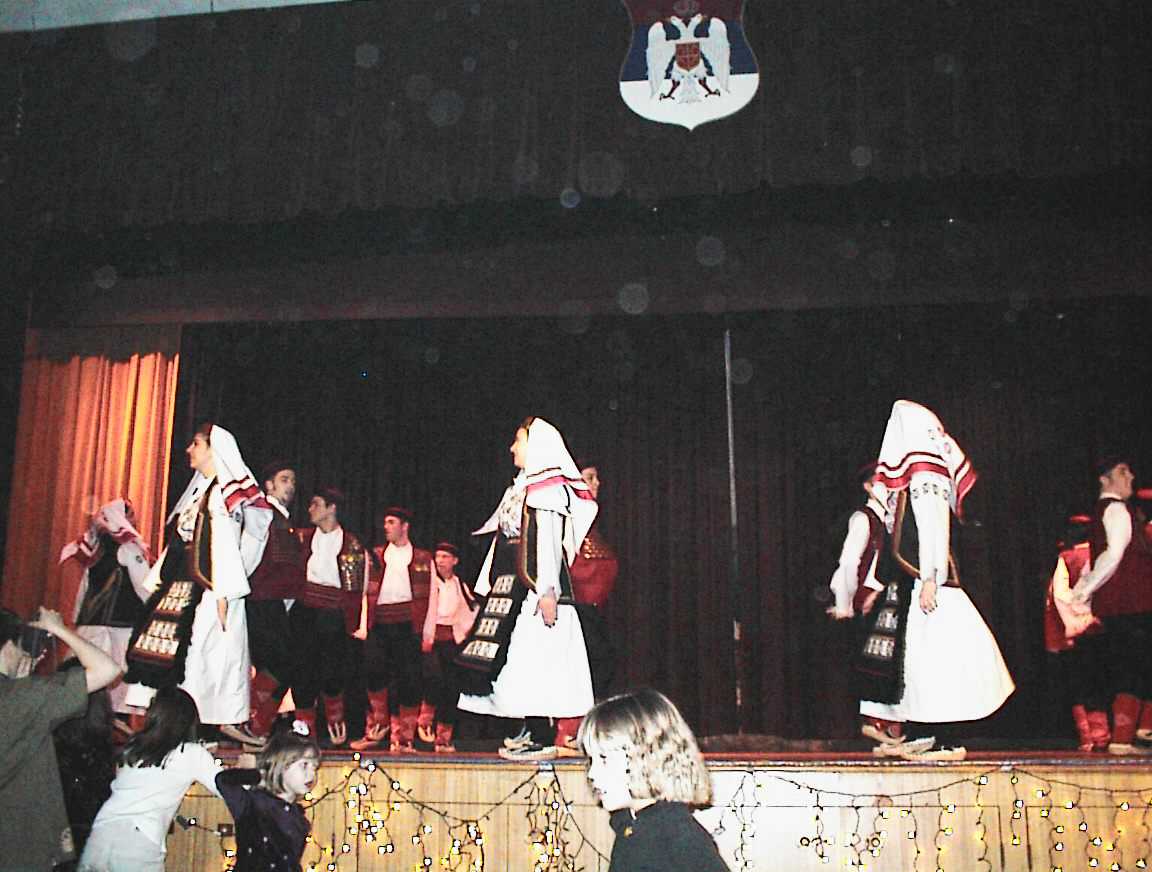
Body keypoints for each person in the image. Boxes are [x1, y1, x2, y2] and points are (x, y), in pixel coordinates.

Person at [854, 400, 1015, 758]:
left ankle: (947, 739)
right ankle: (921, 731)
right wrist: (880, 585)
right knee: (915, 663)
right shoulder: (910, 481)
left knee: (939, 660)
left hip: (928, 584)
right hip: (912, 583)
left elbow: (933, 527)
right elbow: (894, 538)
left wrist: (931, 577)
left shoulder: (927, 478)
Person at [456, 416, 598, 760]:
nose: (512, 448)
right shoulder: (519, 488)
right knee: (513, 658)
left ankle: (541, 734)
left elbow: (548, 541)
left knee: (536, 658)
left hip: (535, 589)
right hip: (512, 587)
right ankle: (527, 727)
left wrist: (547, 591)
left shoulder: (546, 490)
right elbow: (503, 541)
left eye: (518, 441)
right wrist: (487, 585)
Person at [123, 422, 262, 748]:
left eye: (196, 444)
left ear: (213, 450)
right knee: (176, 653)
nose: (189, 450)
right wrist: (159, 583)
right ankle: (174, 725)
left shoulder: (221, 495)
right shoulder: (201, 492)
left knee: (202, 656)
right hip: (185, 587)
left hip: (209, 589)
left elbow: (226, 544)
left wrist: (224, 593)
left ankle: (201, 728)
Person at [1, 606, 122, 872]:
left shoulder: (21, 697)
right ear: (8, 646)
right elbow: (107, 669)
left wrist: (22, 682)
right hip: (20, 846)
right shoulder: (22, 698)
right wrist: (57, 627)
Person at [579, 688, 728, 872]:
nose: (592, 773)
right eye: (591, 759)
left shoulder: (671, 836)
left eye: (604, 758)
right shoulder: (634, 824)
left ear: (647, 758)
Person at [78, 687, 224, 872]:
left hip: (102, 831)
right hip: (139, 839)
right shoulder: (190, 753)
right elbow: (226, 788)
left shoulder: (133, 748)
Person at [1062, 457, 1152, 755]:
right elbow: (1112, 555)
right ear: (1104, 478)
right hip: (1131, 603)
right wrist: (1083, 592)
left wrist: (1084, 591)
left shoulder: (1112, 510)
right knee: (1134, 667)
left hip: (1127, 603)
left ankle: (1139, 732)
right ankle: (1126, 738)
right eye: (1122, 472)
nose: (1131, 477)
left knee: (1136, 665)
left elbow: (1099, 558)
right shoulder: (1115, 509)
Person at [58, 498, 153, 731]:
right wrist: (153, 607)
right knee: (121, 675)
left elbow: (84, 590)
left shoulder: (95, 550)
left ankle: (98, 722)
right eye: (130, 515)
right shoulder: (128, 547)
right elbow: (143, 585)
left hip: (91, 624)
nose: (134, 519)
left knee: (90, 673)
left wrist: (78, 617)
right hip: (121, 623)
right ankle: (116, 721)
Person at [293, 486, 371, 746]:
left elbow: (358, 589)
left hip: (333, 614)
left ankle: (335, 718)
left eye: (316, 504)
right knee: (303, 671)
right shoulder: (302, 538)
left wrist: (354, 624)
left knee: (332, 672)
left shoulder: (352, 543)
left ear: (331, 508)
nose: (310, 509)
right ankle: (304, 727)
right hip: (305, 611)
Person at [351, 506, 432, 753]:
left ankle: (404, 738)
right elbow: (364, 591)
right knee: (374, 673)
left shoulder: (422, 557)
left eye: (391, 522)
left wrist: (427, 631)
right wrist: (362, 624)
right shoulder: (375, 556)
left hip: (408, 623)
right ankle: (378, 726)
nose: (386, 527)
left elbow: (433, 597)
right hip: (380, 623)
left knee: (409, 680)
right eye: (385, 522)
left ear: (404, 526)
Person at [240, 462, 308, 738]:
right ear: (269, 484)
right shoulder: (264, 514)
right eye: (284, 479)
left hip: (276, 602)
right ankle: (250, 717)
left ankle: (257, 723)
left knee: (282, 665)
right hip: (261, 599)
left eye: (292, 481)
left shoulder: (283, 520)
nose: (290, 486)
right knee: (281, 663)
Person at [558, 460, 620, 751]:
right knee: (587, 665)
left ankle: (581, 728)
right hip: (574, 606)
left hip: (590, 607)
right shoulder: (567, 521)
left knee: (599, 664)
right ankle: (568, 730)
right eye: (590, 477)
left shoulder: (588, 522)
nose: (597, 483)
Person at [215, 720, 319, 871]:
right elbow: (224, 780)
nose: (311, 774)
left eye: (315, 767)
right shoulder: (253, 804)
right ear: (281, 765)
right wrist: (259, 774)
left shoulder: (299, 820)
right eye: (304, 765)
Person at [1044, 516, 1111, 751]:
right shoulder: (1102, 556)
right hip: (1096, 626)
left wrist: (1074, 622)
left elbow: (1060, 595)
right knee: (1095, 680)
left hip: (1074, 631)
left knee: (1080, 682)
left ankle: (1090, 736)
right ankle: (1098, 735)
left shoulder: (1068, 558)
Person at [415, 541, 478, 753]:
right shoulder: (429, 583)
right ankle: (425, 720)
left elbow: (470, 609)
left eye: (445, 557)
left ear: (455, 561)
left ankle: (444, 737)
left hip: (452, 640)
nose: (440, 561)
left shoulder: (459, 584)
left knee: (451, 688)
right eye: (438, 556)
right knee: (434, 680)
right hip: (431, 637)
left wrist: (465, 634)